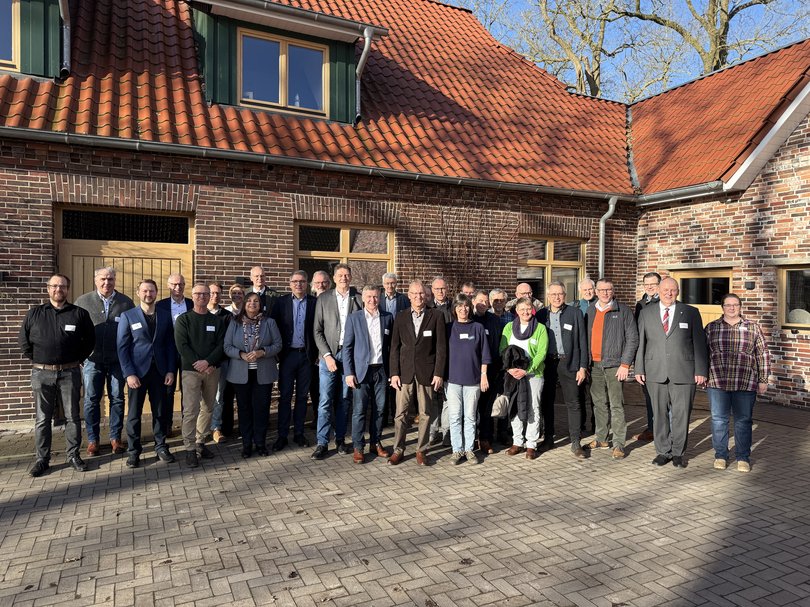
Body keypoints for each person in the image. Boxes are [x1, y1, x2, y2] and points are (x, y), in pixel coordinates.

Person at [19, 274, 95, 477]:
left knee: (72, 416)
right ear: (48, 289)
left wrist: (78, 358)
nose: (58, 289)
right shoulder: (34, 314)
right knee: (43, 419)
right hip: (41, 373)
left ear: (67, 289)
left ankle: (73, 456)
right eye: (54, 286)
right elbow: (24, 342)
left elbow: (89, 341)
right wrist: (39, 360)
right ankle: (42, 459)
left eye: (62, 286)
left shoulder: (79, 313)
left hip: (70, 372)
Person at [635, 277, 708, 468]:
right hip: (654, 371)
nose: (669, 293)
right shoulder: (646, 312)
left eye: (673, 290)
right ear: (659, 290)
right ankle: (662, 451)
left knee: (681, 414)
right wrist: (639, 368)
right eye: (665, 290)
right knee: (658, 414)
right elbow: (641, 342)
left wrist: (701, 370)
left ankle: (678, 453)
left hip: (684, 372)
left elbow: (699, 343)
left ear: (678, 292)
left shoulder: (691, 312)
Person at [705, 294, 770, 473]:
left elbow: (762, 354)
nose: (732, 308)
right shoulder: (712, 328)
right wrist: (702, 376)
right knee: (719, 420)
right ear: (722, 307)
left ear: (740, 307)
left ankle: (743, 457)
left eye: (735, 305)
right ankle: (720, 455)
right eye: (728, 305)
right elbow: (703, 353)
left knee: (743, 421)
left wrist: (763, 380)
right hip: (717, 381)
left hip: (745, 382)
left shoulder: (753, 328)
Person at [74, 267, 134, 456]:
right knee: (91, 400)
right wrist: (80, 355)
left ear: (115, 280)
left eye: (110, 279)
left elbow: (132, 332)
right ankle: (93, 440)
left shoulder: (125, 302)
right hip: (92, 361)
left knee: (117, 398)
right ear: (95, 280)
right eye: (103, 279)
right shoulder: (83, 301)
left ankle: (116, 438)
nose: (106, 282)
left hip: (117, 360)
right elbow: (76, 331)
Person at [117, 279, 177, 467]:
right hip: (137, 374)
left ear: (156, 293)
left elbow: (170, 345)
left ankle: (160, 446)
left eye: (151, 291)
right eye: (144, 291)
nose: (148, 294)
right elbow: (122, 348)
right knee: (134, 414)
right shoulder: (128, 316)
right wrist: (129, 373)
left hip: (159, 372)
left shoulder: (165, 315)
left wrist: (170, 370)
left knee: (159, 412)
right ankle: (134, 451)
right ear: (138, 293)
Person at [389, 280, 447, 466]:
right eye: (414, 294)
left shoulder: (436, 316)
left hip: (427, 372)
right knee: (400, 413)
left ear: (426, 295)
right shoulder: (401, 316)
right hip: (404, 372)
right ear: (409, 296)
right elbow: (394, 348)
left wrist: (438, 373)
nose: (418, 297)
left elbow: (441, 347)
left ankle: (422, 450)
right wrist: (394, 373)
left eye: (421, 293)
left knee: (425, 413)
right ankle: (398, 449)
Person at [311, 264, 363, 459]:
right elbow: (317, 330)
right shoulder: (323, 299)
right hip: (328, 358)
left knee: (344, 400)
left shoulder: (358, 299)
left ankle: (340, 439)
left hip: (349, 357)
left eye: (347, 275)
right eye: (340, 275)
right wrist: (326, 355)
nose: (343, 278)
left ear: (350, 278)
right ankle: (322, 442)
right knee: (324, 401)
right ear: (334, 278)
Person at [174, 283, 228, 467]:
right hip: (191, 371)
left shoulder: (217, 321)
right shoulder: (184, 320)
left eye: (206, 294)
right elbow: (182, 345)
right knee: (190, 410)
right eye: (198, 294)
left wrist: (210, 363)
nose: (202, 297)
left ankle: (200, 442)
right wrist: (200, 364)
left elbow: (221, 345)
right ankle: (189, 449)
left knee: (208, 407)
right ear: (193, 295)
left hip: (212, 371)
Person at [224, 292, 283, 458]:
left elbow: (278, 344)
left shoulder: (269, 322)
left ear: (260, 305)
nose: (252, 303)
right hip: (240, 374)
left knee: (261, 409)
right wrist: (241, 354)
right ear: (244, 304)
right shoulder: (234, 323)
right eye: (249, 301)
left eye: (256, 301)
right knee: (244, 409)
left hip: (262, 373)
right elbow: (227, 346)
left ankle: (260, 443)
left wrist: (262, 352)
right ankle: (247, 444)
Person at [585, 279, 638, 460]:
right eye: (601, 290)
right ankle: (601, 438)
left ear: (613, 291)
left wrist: (625, 364)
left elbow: (632, 338)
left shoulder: (622, 311)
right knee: (599, 403)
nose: (605, 293)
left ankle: (618, 444)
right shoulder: (590, 310)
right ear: (596, 291)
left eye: (608, 290)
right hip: (594, 365)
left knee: (616, 405)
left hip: (615, 365)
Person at [343, 285, 394, 464]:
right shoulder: (354, 318)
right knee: (359, 410)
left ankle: (375, 442)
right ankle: (358, 446)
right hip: (360, 371)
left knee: (380, 409)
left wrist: (392, 371)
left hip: (381, 369)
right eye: (369, 297)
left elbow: (392, 348)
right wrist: (349, 373)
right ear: (363, 298)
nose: (373, 300)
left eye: (375, 297)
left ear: (379, 298)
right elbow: (347, 348)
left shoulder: (388, 318)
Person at [537, 282, 588, 458]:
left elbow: (582, 341)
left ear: (565, 295)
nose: (557, 297)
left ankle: (576, 442)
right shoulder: (541, 314)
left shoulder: (575, 313)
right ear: (548, 296)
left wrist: (582, 367)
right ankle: (548, 438)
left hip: (569, 362)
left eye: (560, 294)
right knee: (547, 402)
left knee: (573, 403)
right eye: (553, 294)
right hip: (548, 364)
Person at [271, 270, 317, 451]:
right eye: (295, 281)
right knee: (285, 396)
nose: (299, 284)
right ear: (290, 284)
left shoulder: (315, 303)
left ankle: (299, 433)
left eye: (302, 281)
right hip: (287, 355)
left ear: (307, 284)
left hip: (306, 356)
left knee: (302, 397)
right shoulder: (281, 302)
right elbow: (273, 327)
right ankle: (282, 435)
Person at [500, 297, 548, 459]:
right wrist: (510, 369)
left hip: (533, 374)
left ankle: (531, 444)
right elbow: (503, 349)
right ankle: (517, 441)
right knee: (514, 406)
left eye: (528, 309)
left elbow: (542, 353)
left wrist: (527, 370)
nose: (525, 312)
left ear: (532, 310)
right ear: (516, 311)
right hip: (513, 375)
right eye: (522, 309)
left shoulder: (540, 328)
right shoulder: (508, 327)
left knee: (533, 406)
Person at [446, 294, 491, 464]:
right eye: (459, 306)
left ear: (469, 308)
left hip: (473, 380)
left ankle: (469, 449)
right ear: (454, 308)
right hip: (453, 380)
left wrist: (484, 375)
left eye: (466, 306)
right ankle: (457, 450)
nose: (463, 309)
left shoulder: (477, 328)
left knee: (471, 416)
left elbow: (485, 354)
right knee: (455, 416)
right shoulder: (448, 328)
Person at [156, 273, 192, 433]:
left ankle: (187, 424)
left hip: (187, 353)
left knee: (188, 389)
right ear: (168, 285)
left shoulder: (191, 303)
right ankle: (166, 425)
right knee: (167, 391)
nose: (178, 287)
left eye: (181, 284)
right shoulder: (160, 305)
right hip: (167, 353)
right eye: (175, 284)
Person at [471, 290, 502, 454]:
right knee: (471, 407)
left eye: (485, 301)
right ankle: (470, 439)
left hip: (489, 371)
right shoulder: (469, 319)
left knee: (486, 407)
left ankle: (485, 438)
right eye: (480, 301)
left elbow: (497, 346)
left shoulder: (494, 321)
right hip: (470, 370)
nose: (483, 304)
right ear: (473, 301)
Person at [633, 272, 661, 442]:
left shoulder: (664, 302)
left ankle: (664, 429)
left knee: (664, 397)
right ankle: (652, 428)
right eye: (646, 284)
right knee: (649, 395)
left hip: (662, 356)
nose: (650, 287)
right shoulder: (641, 304)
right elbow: (638, 333)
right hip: (646, 357)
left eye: (653, 284)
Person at [208, 281, 233, 444]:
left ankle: (216, 427)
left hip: (220, 363)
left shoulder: (226, 316)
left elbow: (226, 341)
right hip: (199, 364)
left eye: (218, 293)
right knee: (199, 398)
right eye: (212, 293)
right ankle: (200, 429)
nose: (215, 296)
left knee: (218, 396)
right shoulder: (198, 313)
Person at [576, 277, 598, 434]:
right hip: (580, 355)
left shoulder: (600, 305)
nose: (588, 292)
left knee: (597, 394)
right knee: (580, 392)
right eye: (585, 290)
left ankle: (597, 424)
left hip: (596, 355)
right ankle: (581, 423)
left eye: (590, 289)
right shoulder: (575, 307)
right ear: (580, 291)